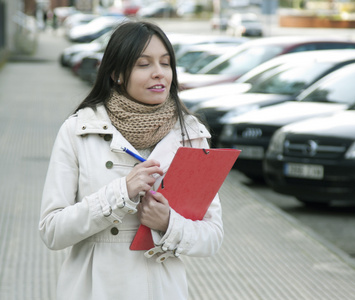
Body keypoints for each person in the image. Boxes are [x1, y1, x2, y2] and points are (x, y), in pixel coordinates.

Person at [39, 21, 224, 300]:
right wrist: (120, 193)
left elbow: (212, 237)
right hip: (95, 288)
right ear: (116, 73)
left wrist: (168, 223)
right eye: (143, 64)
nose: (159, 73)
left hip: (161, 289)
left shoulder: (191, 135)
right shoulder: (79, 130)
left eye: (165, 63)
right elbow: (52, 231)